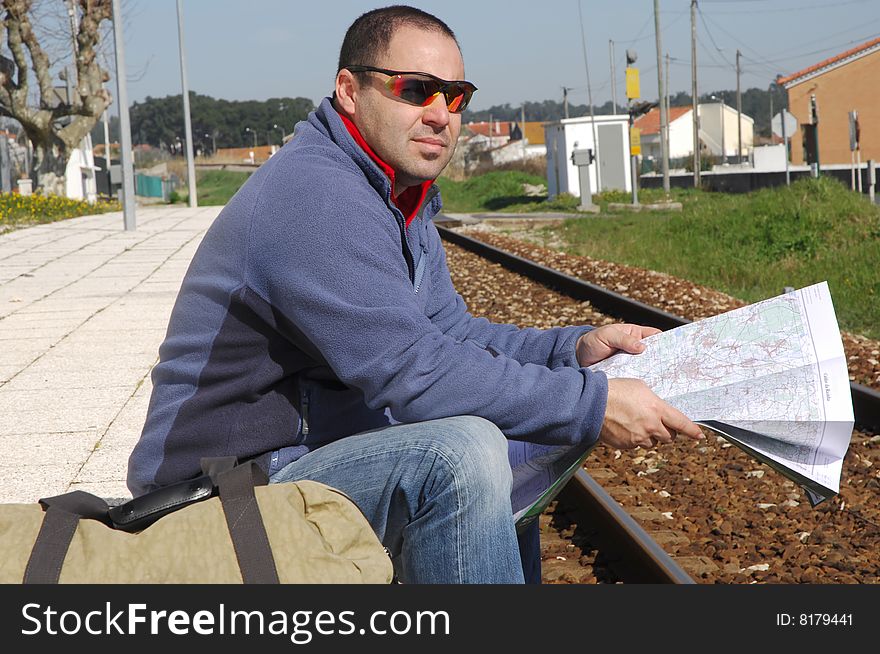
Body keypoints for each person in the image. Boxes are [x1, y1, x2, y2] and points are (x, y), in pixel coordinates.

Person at [127, 5, 703, 584]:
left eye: (454, 96)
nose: (439, 114)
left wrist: (573, 352)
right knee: (462, 455)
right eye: (415, 90)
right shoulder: (317, 196)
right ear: (349, 90)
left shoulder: (397, 192)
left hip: (303, 455)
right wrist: (592, 405)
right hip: (221, 484)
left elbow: (450, 334)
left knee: (512, 442)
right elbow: (413, 373)